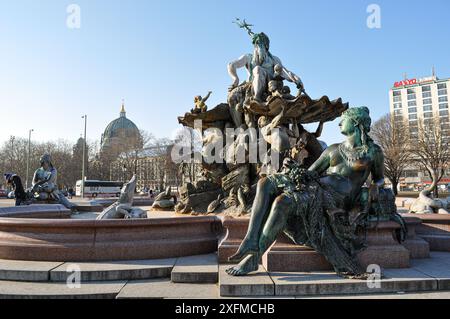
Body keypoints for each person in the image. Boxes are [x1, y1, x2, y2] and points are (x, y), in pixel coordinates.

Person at [226, 107, 392, 278]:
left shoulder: (373, 151)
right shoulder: (333, 149)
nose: (340, 123)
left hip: (334, 199)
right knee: (265, 182)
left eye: (344, 119)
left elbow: (379, 178)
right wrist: (294, 169)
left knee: (282, 202)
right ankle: (251, 239)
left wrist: (375, 186)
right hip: (315, 187)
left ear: (356, 123)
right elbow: (311, 172)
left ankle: (254, 257)